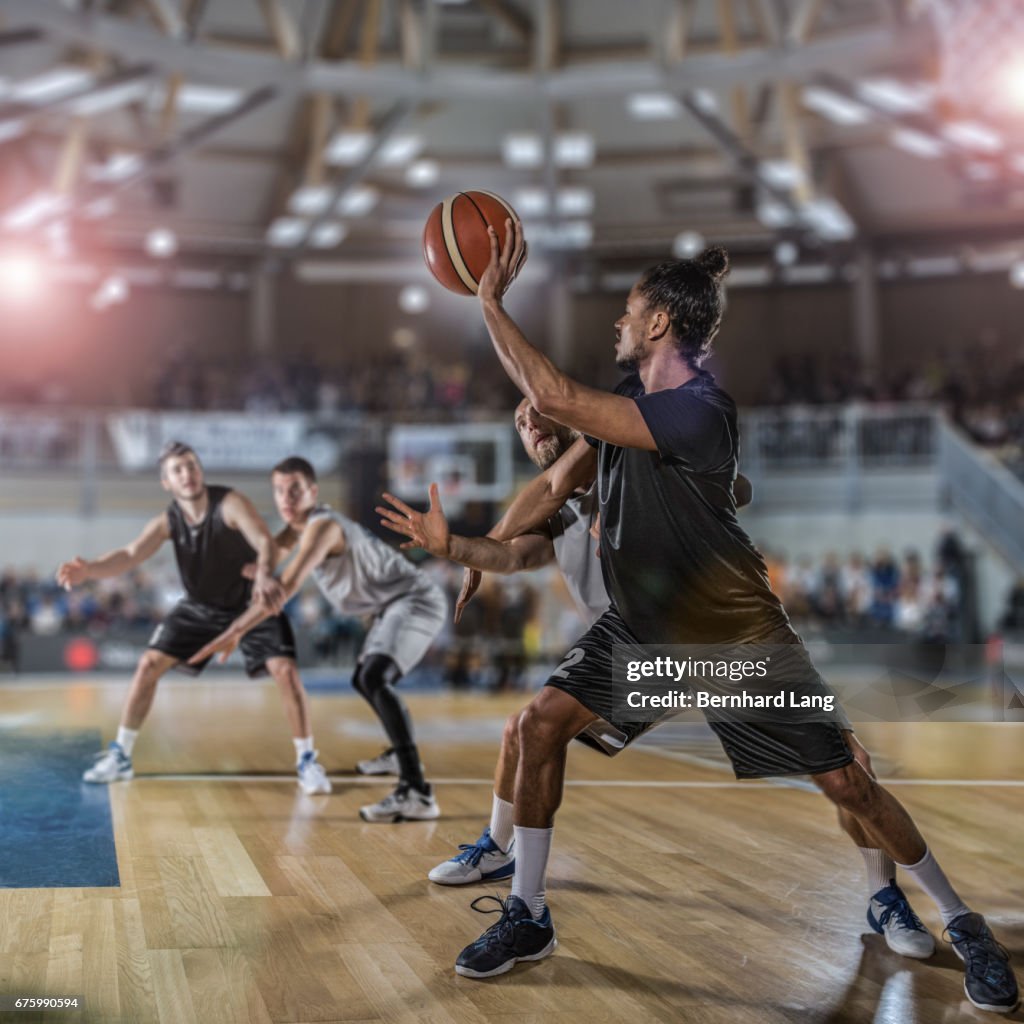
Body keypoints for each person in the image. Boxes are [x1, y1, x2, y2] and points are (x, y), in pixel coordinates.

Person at [389, 222, 1017, 1013]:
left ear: (658, 324)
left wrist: (488, 300)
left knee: (847, 784)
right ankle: (529, 912)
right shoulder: (620, 413)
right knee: (540, 724)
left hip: (733, 636)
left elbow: (549, 394)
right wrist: (472, 549)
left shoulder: (698, 410)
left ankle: (964, 923)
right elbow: (549, 493)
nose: (616, 324)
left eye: (626, 312)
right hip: (646, 632)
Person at [383, 400, 935, 961]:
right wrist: (460, 553)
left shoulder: (635, 466)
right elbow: (512, 555)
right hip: (636, 661)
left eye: (539, 413)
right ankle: (501, 852)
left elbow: (735, 487)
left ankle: (884, 894)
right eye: (521, 423)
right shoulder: (552, 514)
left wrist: (676, 473)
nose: (531, 425)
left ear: (577, 427)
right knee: (526, 729)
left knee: (850, 765)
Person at [55, 441, 331, 796]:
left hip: (250, 601)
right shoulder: (168, 521)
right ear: (166, 482)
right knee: (148, 664)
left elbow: (264, 540)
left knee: (286, 672)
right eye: (177, 470)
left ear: (200, 470)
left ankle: (307, 759)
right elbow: (129, 554)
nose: (187, 474)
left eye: (192, 465)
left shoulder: (229, 503)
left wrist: (263, 574)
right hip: (200, 606)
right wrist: (90, 569)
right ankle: (121, 755)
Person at [188, 456, 446, 823]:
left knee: (374, 678)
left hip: (414, 601)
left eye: (294, 490)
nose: (285, 498)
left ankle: (417, 790)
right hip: (390, 606)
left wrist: (234, 631)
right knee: (363, 679)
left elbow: (284, 589)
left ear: (312, 492)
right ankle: (399, 753)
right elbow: (270, 554)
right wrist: (254, 572)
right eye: (278, 490)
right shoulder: (300, 526)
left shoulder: (322, 527)